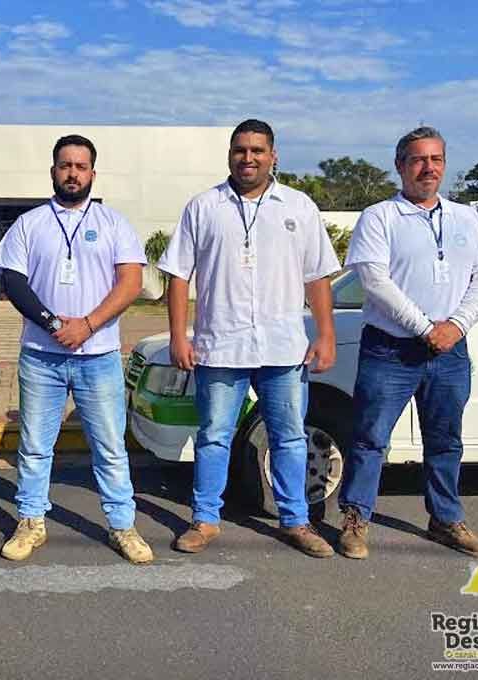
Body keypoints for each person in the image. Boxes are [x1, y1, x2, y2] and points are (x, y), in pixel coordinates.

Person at [158, 119, 341, 558]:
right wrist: (179, 336)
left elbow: (317, 277)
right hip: (221, 346)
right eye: (240, 150)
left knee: (289, 438)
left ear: (273, 156)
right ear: (229, 155)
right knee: (214, 436)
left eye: (258, 150)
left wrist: (326, 334)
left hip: (283, 347)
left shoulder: (298, 206)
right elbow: (178, 275)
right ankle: (205, 519)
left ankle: (296, 521)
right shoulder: (203, 207)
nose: (248, 158)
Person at [337, 127, 478, 560]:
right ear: (400, 165)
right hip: (391, 350)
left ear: (444, 164)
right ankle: (355, 519)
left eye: (436, 159)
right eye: (418, 159)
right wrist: (426, 327)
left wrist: (457, 325)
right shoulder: (380, 216)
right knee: (370, 439)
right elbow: (375, 281)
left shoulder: (467, 217)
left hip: (449, 351)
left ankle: (446, 519)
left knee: (445, 440)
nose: (428, 168)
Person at [0, 134, 153, 564]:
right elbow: (13, 281)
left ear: (93, 173)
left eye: (81, 167)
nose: (73, 173)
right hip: (41, 356)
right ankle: (30, 522)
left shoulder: (114, 223)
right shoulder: (30, 224)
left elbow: (130, 283)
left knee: (110, 447)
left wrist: (88, 324)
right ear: (53, 171)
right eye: (65, 165)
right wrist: (53, 324)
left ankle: (122, 525)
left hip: (98, 356)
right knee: (34, 446)